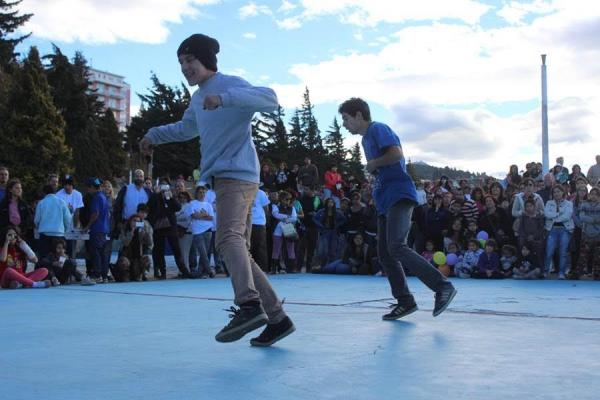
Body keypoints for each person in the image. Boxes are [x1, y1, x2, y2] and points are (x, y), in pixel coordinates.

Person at [139, 33, 293, 346]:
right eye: (181, 62)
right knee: (238, 251)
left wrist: (225, 99)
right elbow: (185, 129)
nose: (185, 67)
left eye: (190, 60)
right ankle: (277, 319)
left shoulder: (229, 84)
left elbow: (271, 99)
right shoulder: (197, 98)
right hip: (224, 179)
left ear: (206, 59)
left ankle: (249, 306)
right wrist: (153, 134)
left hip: (237, 175)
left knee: (227, 239)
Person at [339, 97, 456, 320]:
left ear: (358, 115)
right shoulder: (365, 140)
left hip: (399, 195)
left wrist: (373, 164)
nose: (345, 124)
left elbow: (395, 154)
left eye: (346, 119)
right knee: (385, 253)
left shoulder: (378, 129)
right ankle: (405, 301)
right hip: (385, 200)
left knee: (396, 246)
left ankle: (442, 287)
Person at [147, 177, 192, 280]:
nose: (164, 187)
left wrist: (171, 197)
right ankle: (162, 272)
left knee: (176, 250)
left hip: (171, 226)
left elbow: (178, 207)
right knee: (159, 250)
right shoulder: (155, 196)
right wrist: (156, 194)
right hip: (158, 227)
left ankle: (184, 271)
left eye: (166, 185)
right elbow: (149, 206)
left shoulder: (170, 196)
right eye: (162, 184)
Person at [82, 178, 111, 283]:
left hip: (96, 229)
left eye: (89, 188)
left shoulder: (96, 198)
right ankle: (104, 276)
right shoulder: (103, 197)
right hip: (104, 229)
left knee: (95, 252)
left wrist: (87, 227)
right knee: (102, 253)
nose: (87, 190)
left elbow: (95, 214)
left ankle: (97, 275)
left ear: (93, 187)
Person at [543, 185, 573, 279]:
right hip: (552, 230)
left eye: (558, 191)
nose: (556, 193)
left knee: (563, 251)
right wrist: (558, 214)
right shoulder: (549, 203)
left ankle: (561, 272)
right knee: (549, 251)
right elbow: (547, 214)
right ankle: (545, 271)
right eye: (555, 192)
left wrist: (555, 217)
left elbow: (567, 216)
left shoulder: (569, 203)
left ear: (563, 192)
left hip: (565, 230)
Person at [112, 169, 153, 239]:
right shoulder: (126, 189)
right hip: (126, 224)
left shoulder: (148, 192)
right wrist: (118, 222)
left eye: (141, 176)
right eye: (137, 176)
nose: (139, 178)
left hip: (142, 224)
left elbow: (152, 208)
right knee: (125, 247)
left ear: (143, 178)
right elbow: (117, 206)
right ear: (134, 177)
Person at [34, 184, 71, 259]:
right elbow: (68, 219)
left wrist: (38, 227)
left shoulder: (41, 203)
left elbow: (36, 220)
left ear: (44, 193)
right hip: (59, 235)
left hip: (45, 235)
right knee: (60, 258)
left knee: (44, 259)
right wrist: (65, 229)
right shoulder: (62, 202)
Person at [189, 185, 215, 278]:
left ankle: (199, 272)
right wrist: (204, 215)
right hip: (197, 231)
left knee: (205, 253)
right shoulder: (192, 203)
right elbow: (193, 216)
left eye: (203, 192)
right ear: (196, 193)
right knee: (202, 252)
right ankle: (209, 270)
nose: (202, 194)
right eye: (200, 192)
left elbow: (211, 217)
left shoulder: (208, 205)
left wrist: (200, 215)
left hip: (208, 230)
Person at [250, 187, 270, 272]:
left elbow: (266, 209)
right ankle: (251, 269)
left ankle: (261, 269)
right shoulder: (244, 191)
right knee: (250, 247)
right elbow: (266, 209)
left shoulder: (261, 193)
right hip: (248, 223)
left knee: (260, 246)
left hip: (259, 222)